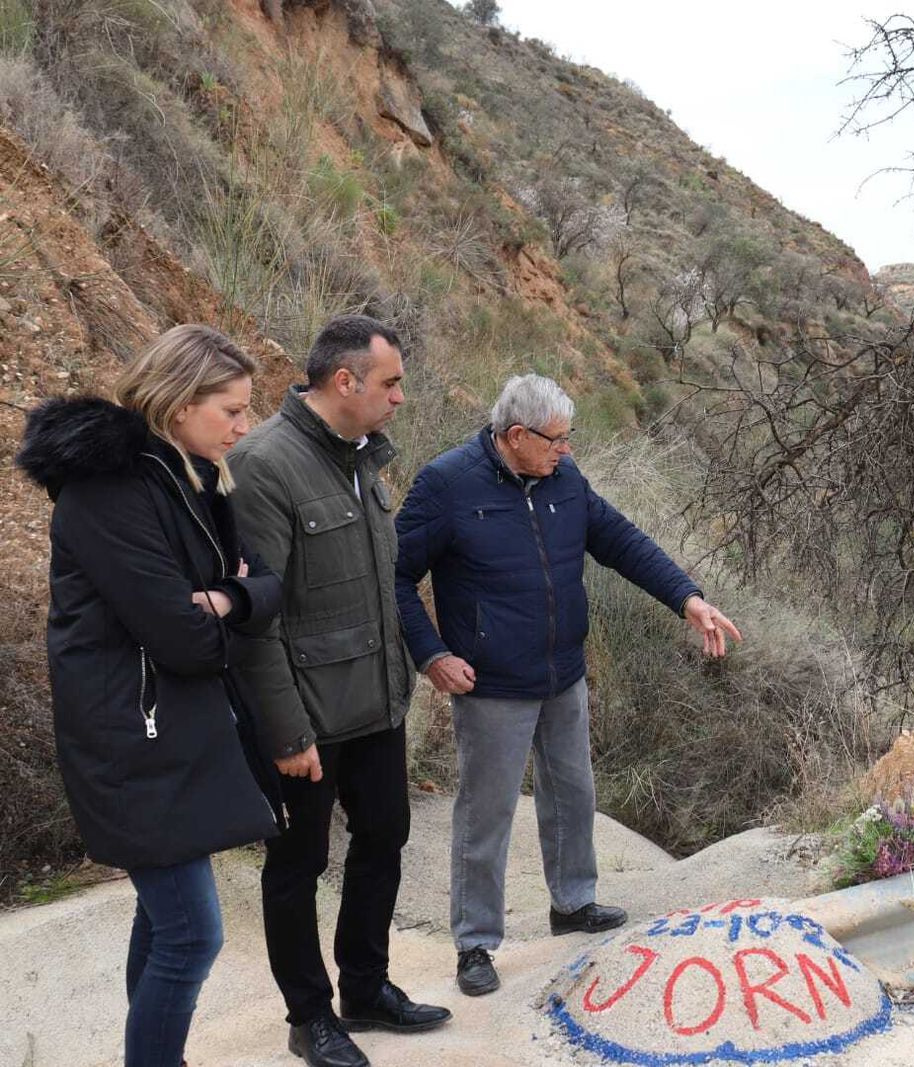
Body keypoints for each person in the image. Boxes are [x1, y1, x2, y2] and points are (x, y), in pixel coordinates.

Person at [395, 373, 742, 998]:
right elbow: (393, 577)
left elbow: (622, 542)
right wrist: (431, 655)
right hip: (490, 683)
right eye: (557, 440)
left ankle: (574, 903)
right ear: (517, 436)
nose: (567, 450)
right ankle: (476, 943)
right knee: (486, 815)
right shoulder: (446, 484)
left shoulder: (564, 481)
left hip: (562, 673)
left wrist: (687, 598)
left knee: (574, 794)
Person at [16, 325, 284, 1067]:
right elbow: (183, 641)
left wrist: (226, 599)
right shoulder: (109, 491)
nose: (244, 425)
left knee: (163, 922)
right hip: (129, 743)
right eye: (230, 408)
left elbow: (264, 582)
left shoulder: (189, 478)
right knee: (193, 933)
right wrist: (232, 609)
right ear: (177, 402)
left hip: (171, 733)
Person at [228, 315, 449, 1067]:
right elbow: (258, 617)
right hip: (309, 720)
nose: (399, 399)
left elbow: (379, 590)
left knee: (385, 837)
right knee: (297, 866)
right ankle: (310, 1016)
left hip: (376, 707)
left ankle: (366, 986)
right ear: (345, 381)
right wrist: (288, 732)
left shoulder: (362, 461)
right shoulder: (265, 463)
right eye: (390, 383)